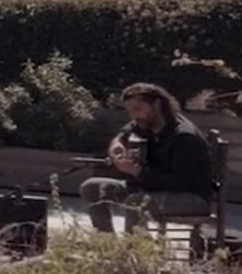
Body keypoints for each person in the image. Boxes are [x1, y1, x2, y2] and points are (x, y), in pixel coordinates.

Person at [80, 82, 213, 233]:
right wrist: (116, 146)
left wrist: (137, 172)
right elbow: (123, 134)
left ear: (156, 105)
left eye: (137, 109)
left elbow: (179, 183)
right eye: (129, 111)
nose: (133, 116)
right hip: (149, 189)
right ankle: (106, 240)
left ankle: (134, 248)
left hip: (190, 198)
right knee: (92, 187)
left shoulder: (184, 137)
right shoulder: (145, 123)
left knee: (136, 201)